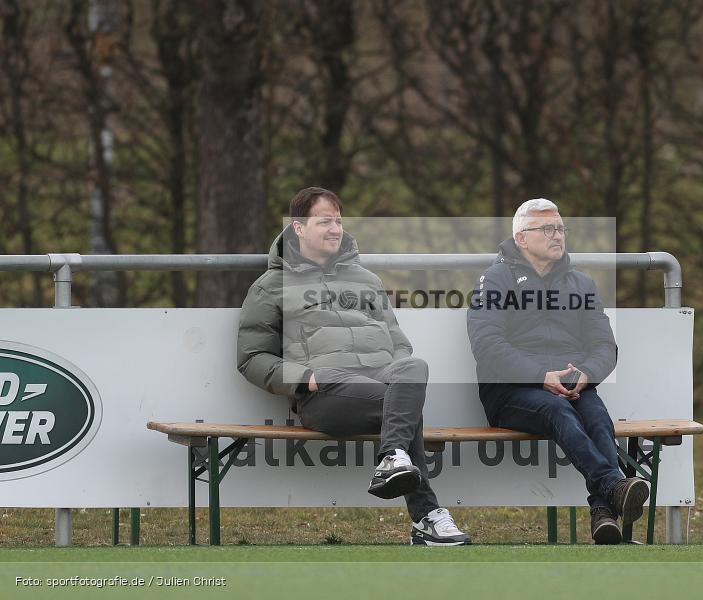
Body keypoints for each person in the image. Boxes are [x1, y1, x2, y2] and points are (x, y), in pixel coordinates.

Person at [237, 186, 471, 546]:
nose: (335, 229)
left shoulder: (367, 280)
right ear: (298, 228)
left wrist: (394, 373)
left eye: (339, 221)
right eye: (325, 221)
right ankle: (424, 516)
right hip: (327, 394)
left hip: (381, 385)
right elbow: (252, 357)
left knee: (413, 369)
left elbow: (399, 345)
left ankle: (393, 459)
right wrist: (303, 378)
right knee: (405, 410)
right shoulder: (271, 286)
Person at [466, 198, 649, 545]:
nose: (557, 236)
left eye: (560, 229)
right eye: (547, 229)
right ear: (521, 238)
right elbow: (486, 344)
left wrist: (587, 373)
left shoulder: (581, 283)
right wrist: (539, 375)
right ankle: (612, 486)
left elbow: (604, 345)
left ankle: (603, 513)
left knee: (596, 416)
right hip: (511, 391)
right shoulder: (495, 279)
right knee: (557, 409)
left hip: (573, 386)